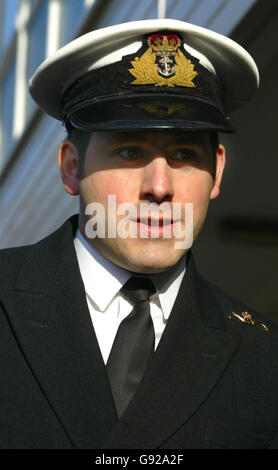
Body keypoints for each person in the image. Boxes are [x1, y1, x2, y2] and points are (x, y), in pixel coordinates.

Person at [0, 18, 278, 450]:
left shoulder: (264, 358)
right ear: (72, 166)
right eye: (130, 151)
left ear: (217, 170)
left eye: (184, 154)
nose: (160, 187)